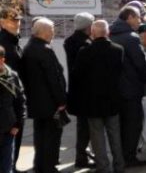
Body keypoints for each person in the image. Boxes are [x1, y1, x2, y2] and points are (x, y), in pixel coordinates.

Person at [70, 20, 125, 173]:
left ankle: (103, 167)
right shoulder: (118, 50)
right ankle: (119, 166)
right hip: (112, 99)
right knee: (115, 134)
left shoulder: (84, 51)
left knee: (97, 136)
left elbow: (76, 75)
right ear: (108, 33)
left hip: (92, 101)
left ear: (92, 34)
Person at [19, 18, 67, 173]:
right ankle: (48, 167)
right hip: (49, 102)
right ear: (45, 32)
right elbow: (54, 78)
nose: (54, 33)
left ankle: (40, 165)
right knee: (51, 136)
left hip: (36, 101)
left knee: (40, 136)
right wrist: (61, 100)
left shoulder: (29, 47)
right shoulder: (44, 50)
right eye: (52, 30)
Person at [109, 5, 146, 168]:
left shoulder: (110, 34)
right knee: (133, 124)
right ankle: (129, 157)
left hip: (115, 88)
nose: (140, 21)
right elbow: (140, 64)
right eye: (138, 17)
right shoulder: (132, 38)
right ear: (130, 17)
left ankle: (119, 157)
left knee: (118, 126)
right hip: (131, 88)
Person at [63, 12, 94, 169]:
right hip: (86, 92)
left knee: (83, 126)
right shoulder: (86, 44)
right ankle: (82, 157)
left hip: (76, 91)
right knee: (85, 128)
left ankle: (83, 155)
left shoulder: (70, 41)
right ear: (88, 27)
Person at [0, 7, 23, 171]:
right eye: (13, 20)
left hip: (15, 98)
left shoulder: (14, 40)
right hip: (7, 101)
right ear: (2, 22)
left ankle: (12, 166)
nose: (17, 23)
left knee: (15, 140)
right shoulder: (3, 42)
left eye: (18, 20)